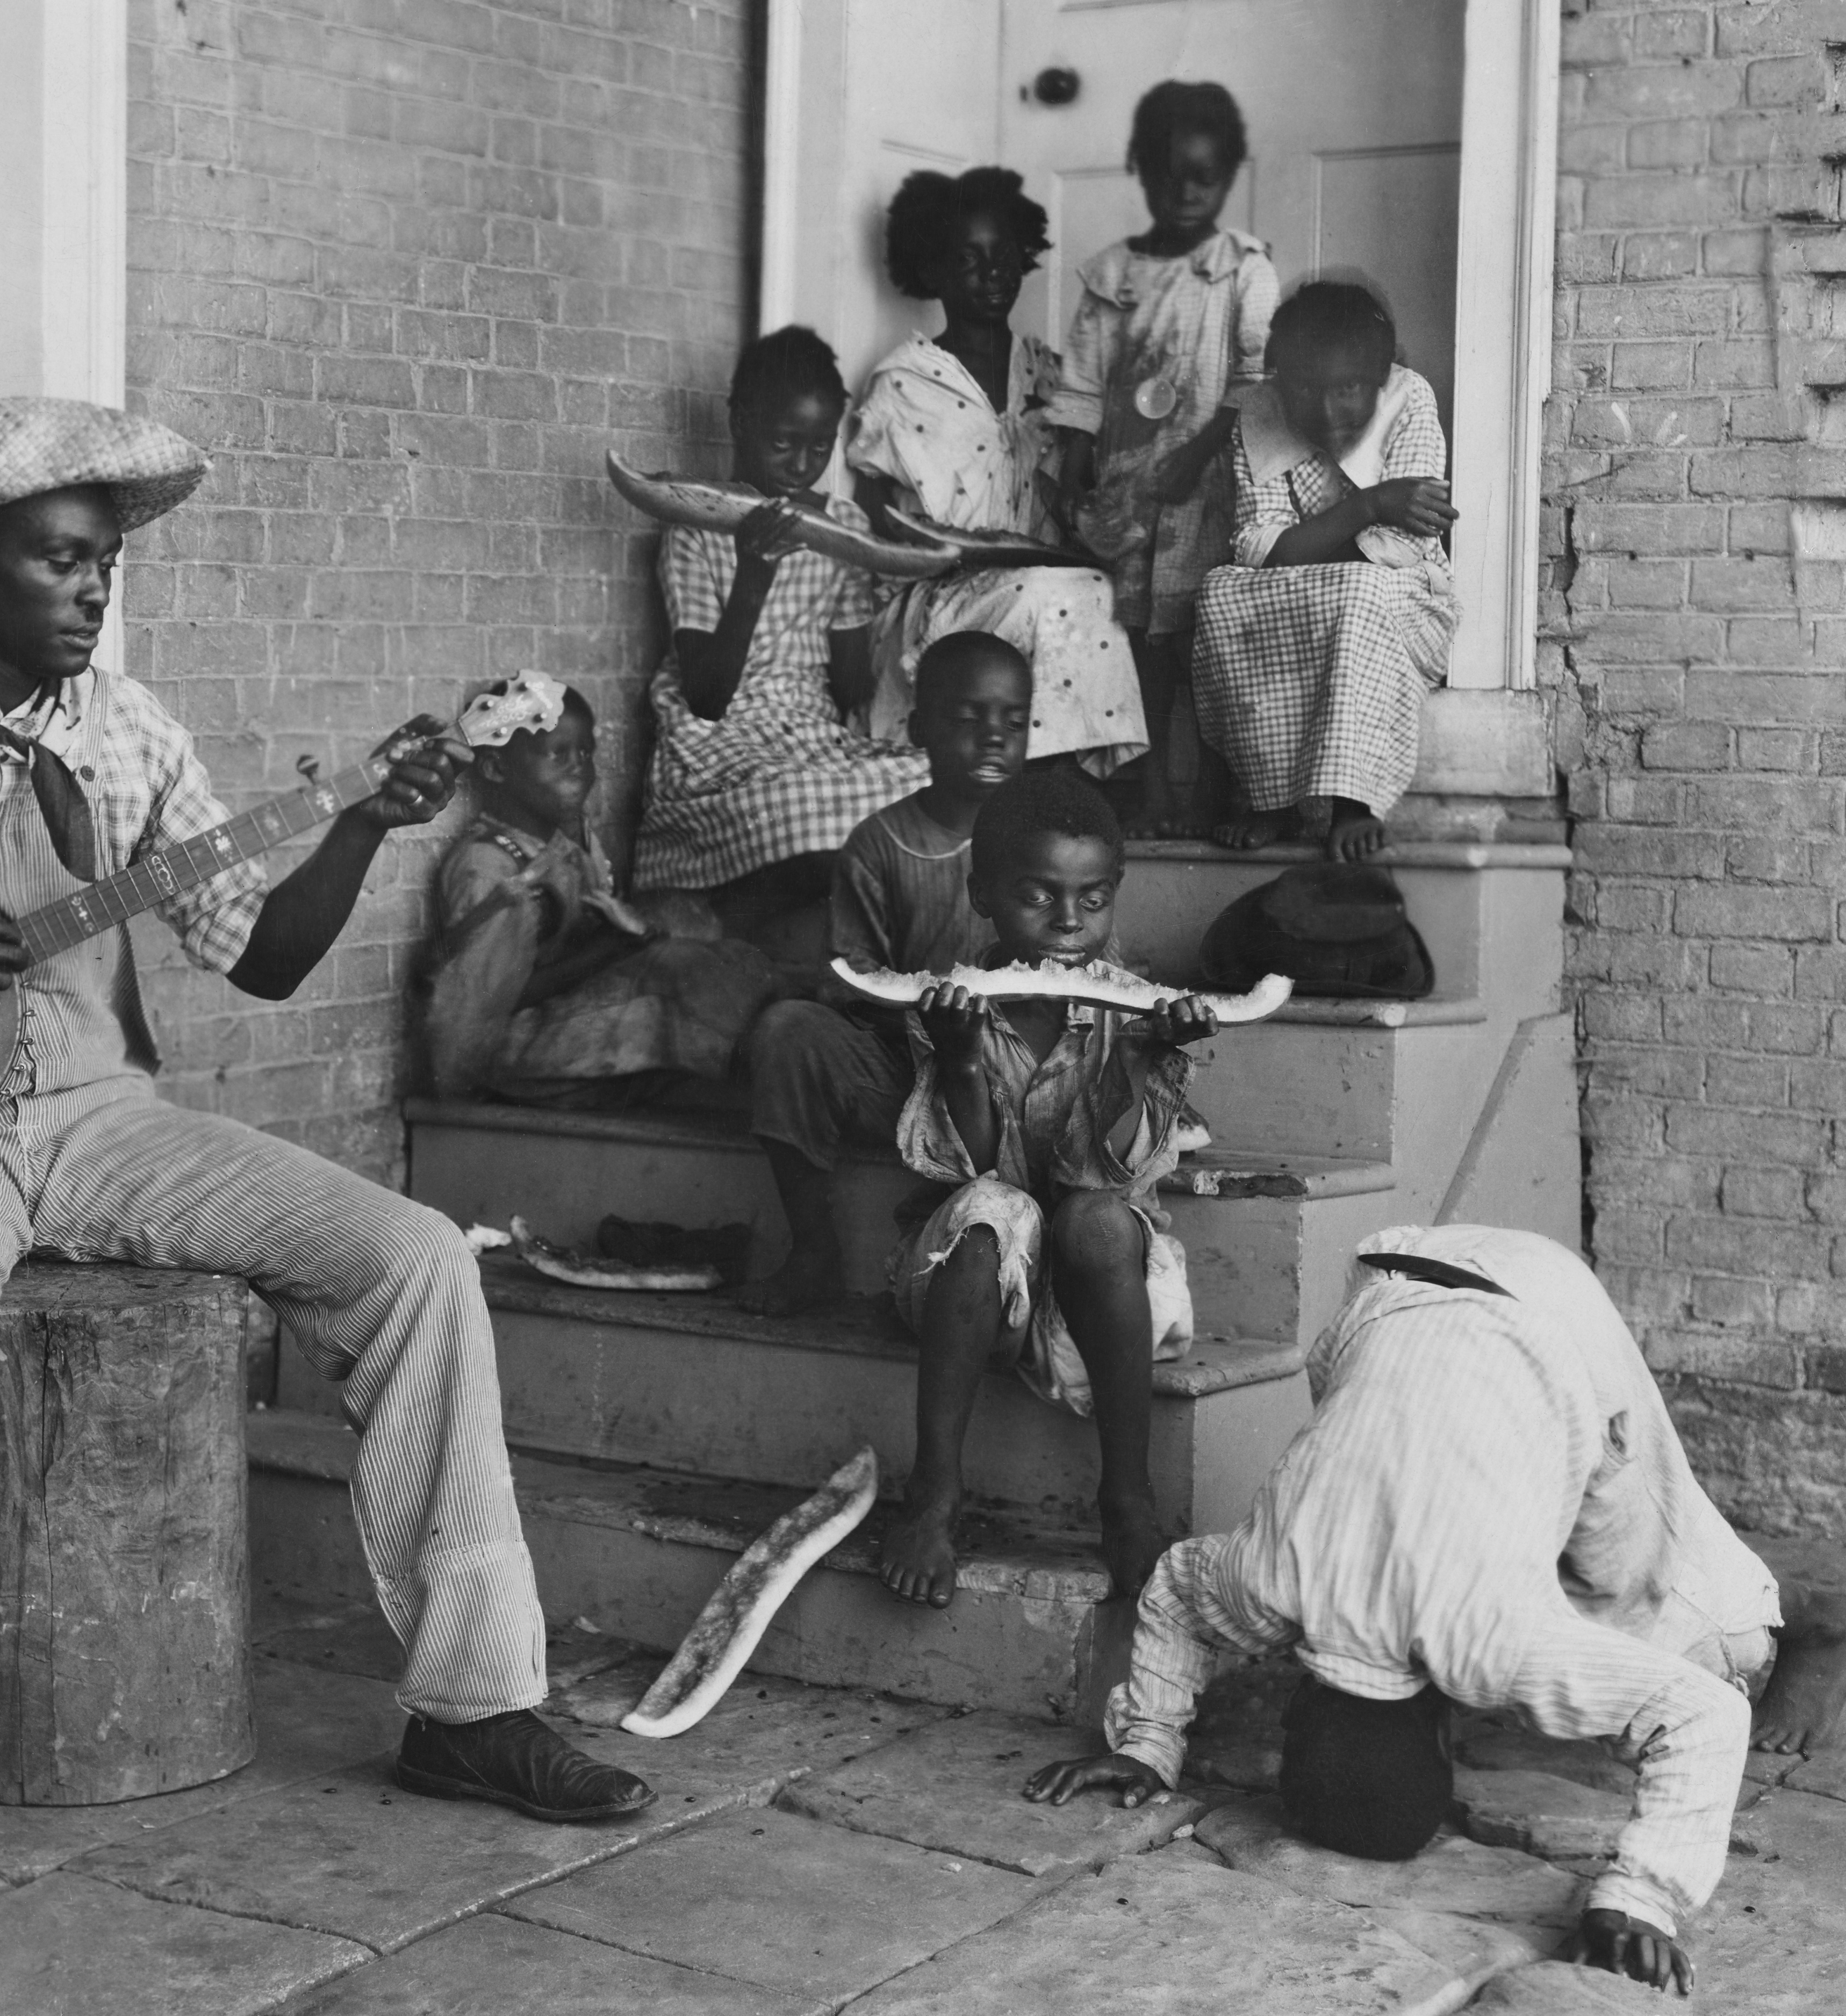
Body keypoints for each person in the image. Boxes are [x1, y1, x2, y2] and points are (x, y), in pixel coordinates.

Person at [0, 398, 651, 1973]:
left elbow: (267, 956)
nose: (95, 591)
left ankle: (474, 1699)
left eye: (106, 564)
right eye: (61, 559)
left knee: (415, 1250)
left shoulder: (129, 728)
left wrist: (360, 820)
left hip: (99, 1109)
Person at [1021, 1226, 1792, 1997]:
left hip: (1554, 1318)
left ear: (1443, 1726)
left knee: (1712, 1639)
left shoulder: (1491, 1646)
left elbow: (1710, 1716)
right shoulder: (1267, 1583)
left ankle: (1807, 1619)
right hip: (1387, 1285)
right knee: (1548, 1559)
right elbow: (1175, 1583)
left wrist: (1644, 1899)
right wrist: (1147, 1743)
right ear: (1298, 1709)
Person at [880, 768, 1215, 1608]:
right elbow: (971, 1172)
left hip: (1097, 1296)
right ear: (983, 894)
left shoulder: (1139, 1010)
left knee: (1100, 1220)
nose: (1069, 923)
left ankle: (1126, 1498)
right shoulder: (948, 1006)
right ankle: (935, 1496)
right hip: (974, 1284)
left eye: (1093, 900)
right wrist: (958, 1059)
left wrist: (1138, 1064)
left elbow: (1104, 1179)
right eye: (1038, 896)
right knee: (996, 1210)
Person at [738, 633, 1029, 1315]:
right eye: (968, 719)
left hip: (1015, 1083)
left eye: (1012, 723)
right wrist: (920, 1008)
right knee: (788, 1030)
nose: (993, 738)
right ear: (919, 727)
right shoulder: (879, 841)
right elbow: (851, 975)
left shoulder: (1040, 837)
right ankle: (812, 1251)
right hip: (905, 1075)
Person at [633, 325, 924, 964]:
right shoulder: (695, 529)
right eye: (782, 443)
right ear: (739, 424)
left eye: (819, 446)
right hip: (720, 740)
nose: (800, 465)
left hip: (806, 732)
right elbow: (706, 696)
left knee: (925, 781)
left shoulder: (839, 525)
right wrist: (754, 574)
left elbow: (849, 691)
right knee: (799, 812)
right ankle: (714, 926)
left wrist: (878, 588)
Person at [847, 167, 1146, 782]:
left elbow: (1082, 494)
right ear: (930, 273)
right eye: (968, 260)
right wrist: (926, 546)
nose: (991, 275)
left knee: (1099, 593)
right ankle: (1053, 786)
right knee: (1057, 596)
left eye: (1003, 256)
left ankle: (1069, 781)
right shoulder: (902, 382)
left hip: (1042, 580)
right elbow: (870, 517)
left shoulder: (1053, 376)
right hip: (937, 601)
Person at [1046, 80, 1279, 837]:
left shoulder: (1243, 271)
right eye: (1168, 173)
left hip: (1207, 487)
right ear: (1140, 169)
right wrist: (1076, 460)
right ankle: (1148, 792)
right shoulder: (1113, 275)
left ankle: (1214, 788)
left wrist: (1199, 456)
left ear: (1230, 175)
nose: (1185, 191)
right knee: (1134, 645)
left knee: (1197, 646)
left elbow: (1254, 381)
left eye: (1204, 177)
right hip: (1128, 491)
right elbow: (1082, 380)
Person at [1193, 278, 1458, 860]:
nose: (1325, 409)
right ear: (1276, 377)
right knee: (1218, 592)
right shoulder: (1258, 412)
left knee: (1359, 589)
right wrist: (1367, 503)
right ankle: (1271, 799)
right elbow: (1255, 544)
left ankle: (1352, 803)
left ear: (1382, 377)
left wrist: (1305, 548)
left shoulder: (1408, 400)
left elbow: (1397, 547)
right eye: (1304, 387)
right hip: (1301, 588)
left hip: (1401, 602)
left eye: (1348, 389)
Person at [422, 672, 774, 1107]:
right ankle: (772, 1065)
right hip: (506, 1055)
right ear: (495, 768)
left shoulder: (567, 840)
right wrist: (616, 945)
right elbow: (482, 1014)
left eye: (585, 752)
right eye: (557, 753)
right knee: (676, 968)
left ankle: (777, 1049)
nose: (578, 766)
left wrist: (629, 937)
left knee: (700, 936)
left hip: (561, 1022)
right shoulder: (489, 867)